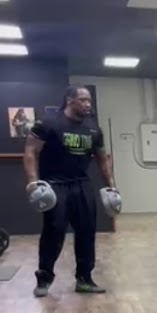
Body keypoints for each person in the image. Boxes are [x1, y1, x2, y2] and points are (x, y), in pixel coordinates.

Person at [24, 86, 117, 297]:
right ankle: (44, 278)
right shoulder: (49, 123)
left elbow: (102, 159)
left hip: (81, 183)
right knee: (54, 231)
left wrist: (112, 185)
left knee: (86, 231)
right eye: (83, 100)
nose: (88, 104)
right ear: (69, 100)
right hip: (55, 184)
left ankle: (84, 279)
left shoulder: (93, 128)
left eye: (89, 100)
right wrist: (33, 183)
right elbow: (31, 151)